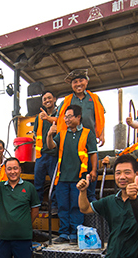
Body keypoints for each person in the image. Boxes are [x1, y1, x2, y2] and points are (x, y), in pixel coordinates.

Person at [45, 104, 98, 243]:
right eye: (65, 117)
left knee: (76, 206)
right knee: (63, 206)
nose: (66, 119)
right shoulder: (61, 134)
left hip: (79, 178)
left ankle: (75, 234)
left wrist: (94, 170)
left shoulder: (87, 133)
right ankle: (63, 234)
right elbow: (51, 147)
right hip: (62, 177)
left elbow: (93, 153)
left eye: (69, 116)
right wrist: (50, 135)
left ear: (78, 117)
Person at [56, 68, 106, 202]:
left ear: (87, 82)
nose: (78, 84)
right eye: (75, 82)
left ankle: (90, 197)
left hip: (88, 138)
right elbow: (58, 119)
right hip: (71, 140)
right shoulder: (66, 101)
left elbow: (99, 117)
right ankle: (79, 198)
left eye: (81, 80)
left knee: (91, 169)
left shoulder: (94, 98)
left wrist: (101, 134)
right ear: (71, 85)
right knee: (77, 172)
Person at [33, 90, 60, 207]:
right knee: (38, 182)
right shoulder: (38, 118)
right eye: (45, 99)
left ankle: (54, 206)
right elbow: (35, 133)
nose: (47, 101)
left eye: (49, 98)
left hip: (55, 154)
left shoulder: (60, 114)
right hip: (41, 155)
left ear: (54, 99)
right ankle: (37, 205)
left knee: (55, 183)